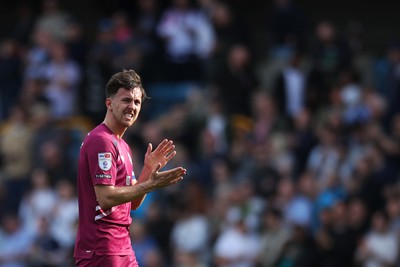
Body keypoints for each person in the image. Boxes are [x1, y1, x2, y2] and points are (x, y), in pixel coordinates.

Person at [73, 69, 187, 267]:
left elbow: (133, 203)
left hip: (122, 247)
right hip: (102, 249)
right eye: (126, 100)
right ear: (109, 103)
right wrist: (150, 185)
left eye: (137, 102)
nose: (132, 107)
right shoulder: (102, 141)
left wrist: (148, 171)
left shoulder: (122, 145)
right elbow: (106, 197)